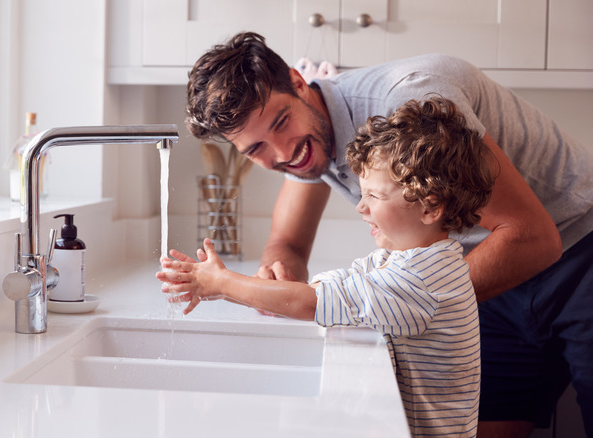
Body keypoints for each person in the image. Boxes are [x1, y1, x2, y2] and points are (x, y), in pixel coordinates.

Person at [184, 32, 593, 438]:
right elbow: (287, 244)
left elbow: (533, 237)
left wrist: (388, 302)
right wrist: (279, 271)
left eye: (281, 122)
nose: (282, 153)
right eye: (256, 149)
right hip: (490, 277)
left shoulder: (408, 108)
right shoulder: (307, 144)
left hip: (579, 251)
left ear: (296, 81)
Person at [158, 96, 494, 437]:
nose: (360, 208)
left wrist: (222, 283)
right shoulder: (414, 258)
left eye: (374, 197)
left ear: (430, 207)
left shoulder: (420, 280)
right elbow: (331, 289)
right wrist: (219, 288)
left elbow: (312, 303)